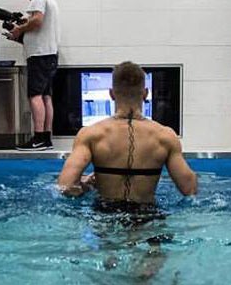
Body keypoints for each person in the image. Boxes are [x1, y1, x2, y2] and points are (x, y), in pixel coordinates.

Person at [57, 61, 198, 205]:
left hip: (105, 218)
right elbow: (189, 188)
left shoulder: (91, 134)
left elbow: (65, 186)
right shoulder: (165, 136)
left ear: (111, 94)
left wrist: (85, 186)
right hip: (148, 217)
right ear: (145, 93)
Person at [7, 0, 60, 151]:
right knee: (46, 96)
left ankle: (37, 137)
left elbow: (37, 21)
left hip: (39, 55)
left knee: (35, 95)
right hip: (49, 54)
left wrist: (19, 29)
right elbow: (38, 26)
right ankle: (46, 137)